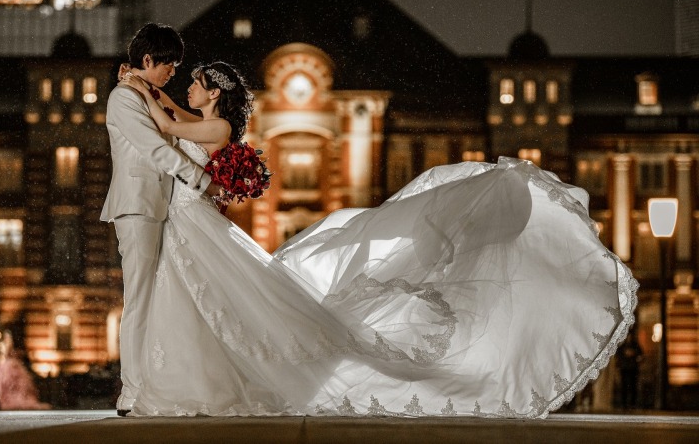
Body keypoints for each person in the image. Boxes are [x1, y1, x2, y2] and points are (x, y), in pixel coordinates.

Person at [121, 63, 638, 418]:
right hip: (192, 222)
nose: (187, 89)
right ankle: (186, 376)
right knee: (210, 303)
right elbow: (175, 117)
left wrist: (142, 89)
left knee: (222, 303)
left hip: (193, 221)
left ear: (213, 94)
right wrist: (151, 89)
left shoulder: (212, 132)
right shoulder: (208, 123)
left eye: (195, 83)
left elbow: (168, 123)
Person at [100, 23, 221, 416]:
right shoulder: (123, 98)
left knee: (155, 299)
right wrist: (202, 181)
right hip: (137, 204)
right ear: (148, 60)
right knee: (137, 299)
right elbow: (153, 147)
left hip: (160, 205)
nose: (173, 73)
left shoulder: (144, 92)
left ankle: (152, 384)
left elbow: (174, 123)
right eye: (168, 65)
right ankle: (131, 391)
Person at [0, 327, 50, 410]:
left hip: (9, 364)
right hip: (8, 363)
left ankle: (7, 397)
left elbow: (7, 352)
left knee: (11, 383)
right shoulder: (7, 349)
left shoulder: (9, 354)